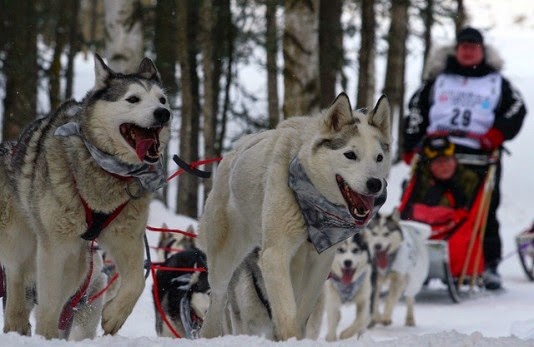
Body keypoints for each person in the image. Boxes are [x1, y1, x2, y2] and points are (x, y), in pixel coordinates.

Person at [402, 27, 527, 290]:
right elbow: (415, 110)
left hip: (479, 152)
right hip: (436, 150)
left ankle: (488, 263)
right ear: (456, 50)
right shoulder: (438, 80)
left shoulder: (497, 82)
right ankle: (416, 258)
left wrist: (497, 134)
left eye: (474, 47)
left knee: (485, 207)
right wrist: (410, 144)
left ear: (482, 51)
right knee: (424, 202)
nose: (468, 51)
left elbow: (517, 109)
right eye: (464, 46)